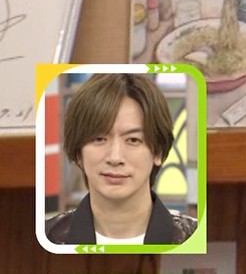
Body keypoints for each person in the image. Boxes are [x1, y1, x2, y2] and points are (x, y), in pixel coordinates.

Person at [44, 73, 197, 246]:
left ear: (158, 152)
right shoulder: (49, 237)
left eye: (133, 140)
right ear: (79, 154)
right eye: (99, 139)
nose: (115, 158)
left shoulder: (193, 238)